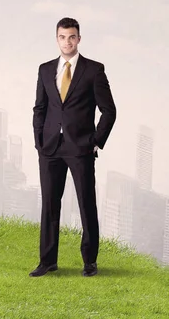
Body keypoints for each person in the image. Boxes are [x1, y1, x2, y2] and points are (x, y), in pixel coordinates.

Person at [29, 17, 116, 277]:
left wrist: (95, 141)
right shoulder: (45, 70)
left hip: (81, 147)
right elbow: (40, 108)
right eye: (62, 37)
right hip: (50, 148)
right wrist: (39, 142)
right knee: (49, 204)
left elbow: (109, 111)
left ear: (78, 39)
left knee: (86, 203)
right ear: (57, 39)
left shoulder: (94, 70)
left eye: (72, 37)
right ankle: (48, 261)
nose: (67, 41)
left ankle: (89, 261)